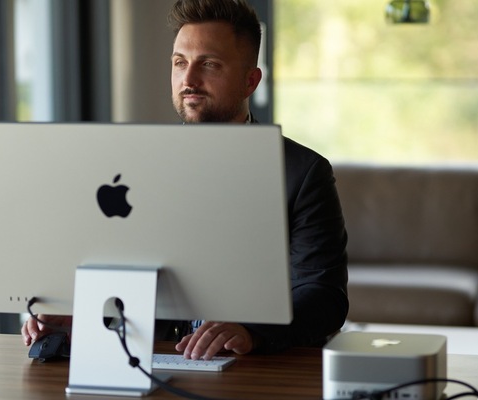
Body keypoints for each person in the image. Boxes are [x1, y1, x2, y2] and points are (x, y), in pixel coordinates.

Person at [23, 0, 349, 360]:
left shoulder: (303, 173)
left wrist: (254, 332)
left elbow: (324, 295)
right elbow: (116, 269)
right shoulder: (127, 169)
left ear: (250, 81)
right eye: (180, 63)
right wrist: (77, 313)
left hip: (250, 365)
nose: (189, 80)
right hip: (147, 356)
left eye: (208, 64)